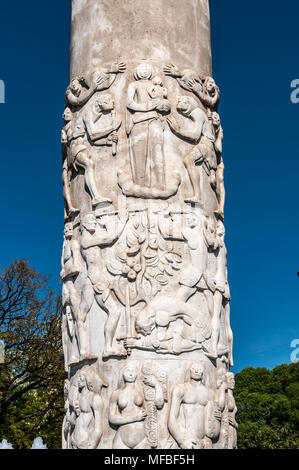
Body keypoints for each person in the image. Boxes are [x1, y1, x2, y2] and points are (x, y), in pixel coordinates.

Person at [80, 212, 128, 358]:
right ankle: (107, 348)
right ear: (83, 224)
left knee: (82, 314)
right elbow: (110, 238)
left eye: (95, 220)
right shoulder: (86, 240)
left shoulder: (89, 239)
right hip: (97, 282)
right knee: (115, 311)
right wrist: (121, 221)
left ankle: (83, 348)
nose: (94, 222)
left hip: (95, 280)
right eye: (91, 220)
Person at [126, 63, 170, 190]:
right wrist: (147, 107)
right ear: (137, 72)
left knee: (158, 153)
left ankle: (160, 186)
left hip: (155, 120)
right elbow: (129, 103)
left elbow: (166, 104)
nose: (144, 71)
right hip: (139, 121)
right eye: (141, 69)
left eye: (147, 69)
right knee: (139, 155)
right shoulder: (133, 85)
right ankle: (139, 187)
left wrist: (162, 104)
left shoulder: (156, 86)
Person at [167, 96, 216, 204]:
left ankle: (197, 196)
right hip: (207, 144)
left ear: (188, 103)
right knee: (188, 161)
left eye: (180, 101)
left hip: (205, 144)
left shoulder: (197, 113)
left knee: (188, 160)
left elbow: (195, 136)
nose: (178, 102)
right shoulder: (195, 113)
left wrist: (177, 131)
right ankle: (198, 194)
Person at [168, 363, 221, 449]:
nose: (196, 371)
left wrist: (218, 418)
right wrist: (181, 441)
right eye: (194, 368)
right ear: (189, 372)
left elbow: (213, 418)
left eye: (199, 369)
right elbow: (172, 418)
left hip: (205, 441)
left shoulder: (210, 393)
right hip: (186, 438)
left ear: (203, 372)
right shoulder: (181, 389)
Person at [61, 222, 88, 362]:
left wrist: (64, 273)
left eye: (71, 228)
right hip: (67, 286)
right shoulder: (65, 246)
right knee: (68, 324)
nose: (69, 230)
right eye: (66, 228)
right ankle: (73, 354)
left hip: (73, 286)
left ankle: (83, 351)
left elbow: (76, 267)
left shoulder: (74, 244)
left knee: (78, 318)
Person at [108, 364, 150, 449]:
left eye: (133, 371)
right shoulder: (116, 393)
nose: (130, 374)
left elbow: (157, 404)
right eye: (128, 371)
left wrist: (157, 385)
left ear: (136, 374)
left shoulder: (142, 390)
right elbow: (111, 418)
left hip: (141, 439)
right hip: (121, 439)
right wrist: (134, 418)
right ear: (122, 374)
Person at [71, 370, 107, 449]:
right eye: (78, 378)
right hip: (74, 440)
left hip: (85, 441)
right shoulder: (78, 398)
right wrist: (75, 411)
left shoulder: (94, 398)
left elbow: (98, 429)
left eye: (81, 377)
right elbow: (73, 422)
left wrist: (92, 446)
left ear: (87, 380)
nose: (78, 380)